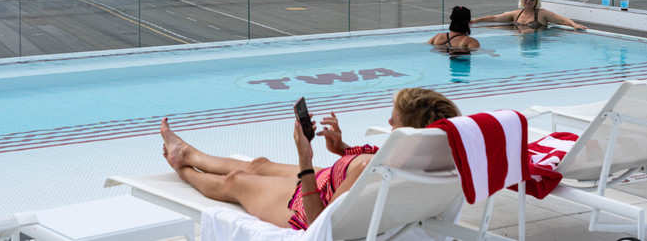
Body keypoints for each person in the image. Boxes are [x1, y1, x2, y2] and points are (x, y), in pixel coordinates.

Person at [160, 88, 460, 230]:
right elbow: (367, 172)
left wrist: (305, 158)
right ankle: (188, 153)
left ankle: (183, 167)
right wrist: (342, 148)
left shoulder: (379, 166)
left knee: (236, 182)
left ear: (407, 127)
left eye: (392, 121)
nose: (388, 122)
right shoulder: (421, 156)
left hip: (308, 204)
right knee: (259, 165)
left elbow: (321, 224)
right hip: (328, 179)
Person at [471, 0, 587, 30]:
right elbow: (494, 18)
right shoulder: (516, 14)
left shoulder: (542, 14)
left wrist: (574, 25)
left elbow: (561, 20)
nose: (528, 1)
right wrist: (475, 21)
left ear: (536, 0)